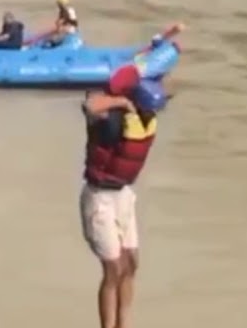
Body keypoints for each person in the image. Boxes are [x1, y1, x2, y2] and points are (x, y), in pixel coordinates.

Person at [80, 63, 170, 328]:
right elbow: (89, 105)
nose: (153, 112)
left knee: (131, 264)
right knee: (113, 268)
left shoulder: (144, 119)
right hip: (99, 198)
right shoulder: (109, 119)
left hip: (123, 195)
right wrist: (122, 101)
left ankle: (125, 324)